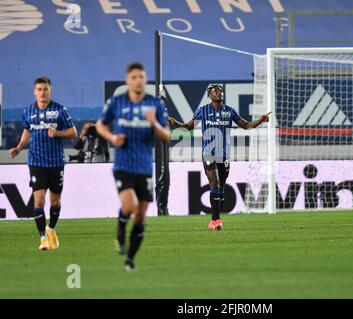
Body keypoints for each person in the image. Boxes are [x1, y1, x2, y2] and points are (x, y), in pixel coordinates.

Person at [96, 62, 170, 271]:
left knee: (141, 214)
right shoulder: (117, 102)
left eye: (142, 77)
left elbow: (167, 136)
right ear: (128, 80)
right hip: (123, 164)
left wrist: (154, 123)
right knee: (130, 206)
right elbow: (100, 125)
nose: (138, 80)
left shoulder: (154, 104)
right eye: (134, 77)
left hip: (145, 167)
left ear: (145, 80)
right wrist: (112, 137)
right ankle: (120, 230)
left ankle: (130, 259)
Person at [168, 85, 271, 231]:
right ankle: (215, 220)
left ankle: (216, 218)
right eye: (215, 91)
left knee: (221, 188)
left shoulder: (229, 111)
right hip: (208, 153)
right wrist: (175, 123)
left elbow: (246, 125)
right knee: (214, 183)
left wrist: (260, 120)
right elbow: (187, 127)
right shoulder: (202, 111)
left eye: (221, 91)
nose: (219, 93)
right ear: (209, 95)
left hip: (224, 154)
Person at [8, 77, 77, 250]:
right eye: (39, 89)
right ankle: (43, 238)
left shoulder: (60, 110)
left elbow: (73, 132)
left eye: (45, 89)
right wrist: (18, 147)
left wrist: (58, 133)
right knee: (38, 201)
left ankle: (51, 229)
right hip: (36, 162)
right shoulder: (28, 112)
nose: (42, 92)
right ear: (34, 91)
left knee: (55, 201)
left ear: (50, 90)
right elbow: (27, 133)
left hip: (55, 162)